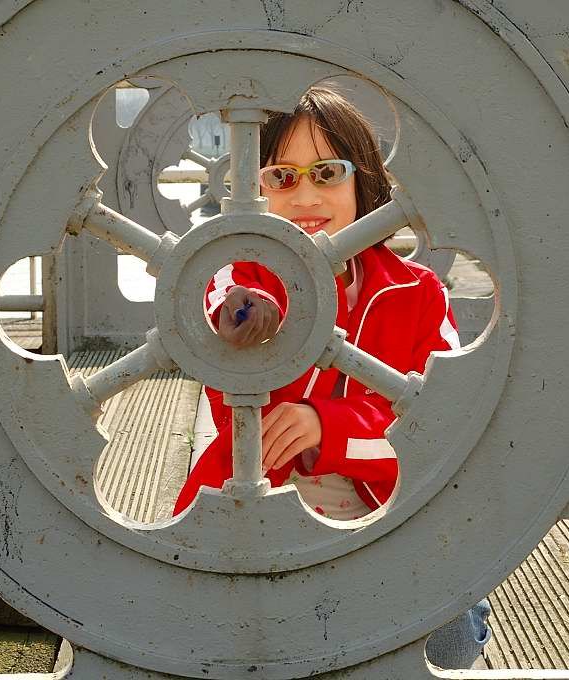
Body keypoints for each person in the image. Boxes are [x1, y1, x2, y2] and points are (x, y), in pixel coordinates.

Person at [173, 86, 490, 668]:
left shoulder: (418, 295)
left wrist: (329, 426)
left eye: (326, 172)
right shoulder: (238, 277)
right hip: (255, 519)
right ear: (256, 191)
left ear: (361, 181)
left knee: (448, 628)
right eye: (282, 177)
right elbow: (223, 333)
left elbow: (443, 427)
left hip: (387, 517)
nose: (306, 195)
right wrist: (245, 315)